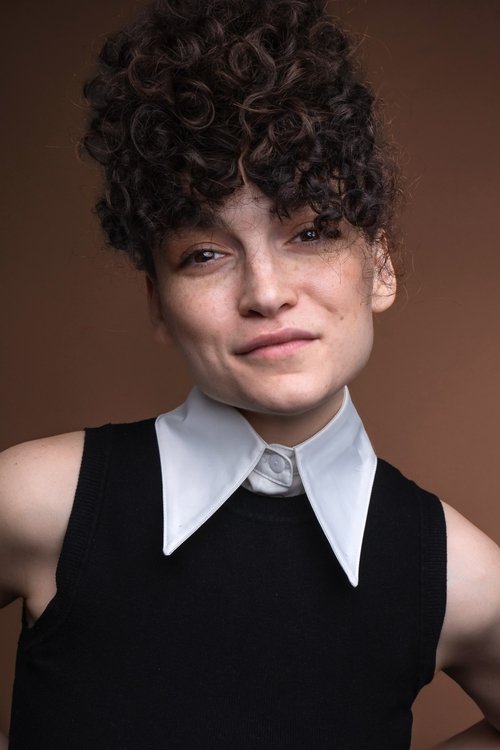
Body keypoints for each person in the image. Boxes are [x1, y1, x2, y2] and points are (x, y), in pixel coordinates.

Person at [0, 0, 499, 747]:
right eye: (205, 254)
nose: (266, 292)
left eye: (311, 232)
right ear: (158, 303)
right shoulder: (41, 502)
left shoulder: (454, 571)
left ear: (381, 265)